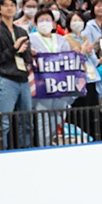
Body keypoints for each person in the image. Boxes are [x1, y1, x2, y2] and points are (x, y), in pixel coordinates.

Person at [0, 0, 31, 150]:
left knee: (26, 120)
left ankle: (26, 149)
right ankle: (1, 152)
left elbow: (28, 57)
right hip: (7, 79)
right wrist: (14, 48)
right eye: (6, 5)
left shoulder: (21, 31)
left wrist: (24, 52)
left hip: (23, 79)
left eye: (12, 5)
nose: (10, 8)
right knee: (4, 122)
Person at [29, 8, 72, 146]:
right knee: (43, 120)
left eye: (48, 20)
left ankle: (57, 144)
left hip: (60, 85)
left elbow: (68, 59)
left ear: (54, 23)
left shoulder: (60, 39)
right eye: (41, 20)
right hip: (41, 85)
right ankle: (45, 147)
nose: (45, 23)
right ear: (35, 23)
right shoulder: (30, 39)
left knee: (59, 118)